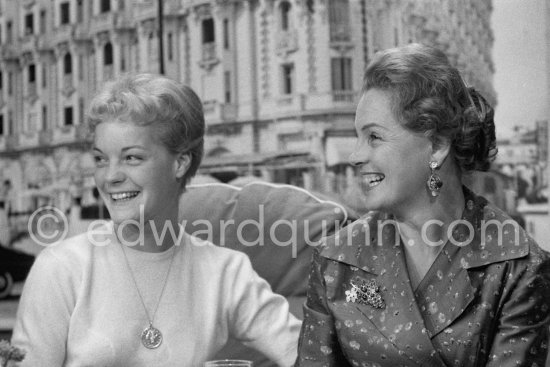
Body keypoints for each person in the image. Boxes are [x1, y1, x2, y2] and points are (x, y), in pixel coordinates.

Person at [12, 73, 301, 366]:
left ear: (180, 163)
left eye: (132, 158)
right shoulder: (60, 268)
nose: (110, 177)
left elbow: (308, 355)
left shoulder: (225, 272)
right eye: (100, 159)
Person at [295, 43, 550, 366]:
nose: (355, 156)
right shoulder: (335, 259)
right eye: (358, 138)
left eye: (374, 137)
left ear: (437, 146)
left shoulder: (518, 266)